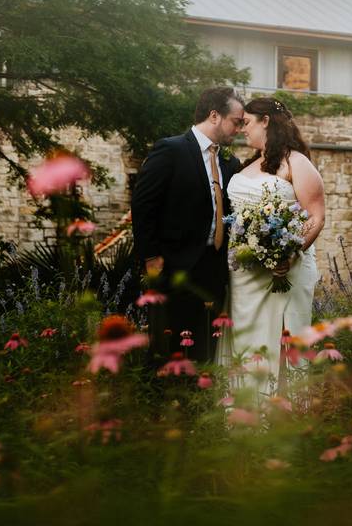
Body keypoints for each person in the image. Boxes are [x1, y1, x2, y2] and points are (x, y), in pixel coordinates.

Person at [218, 96, 325, 395]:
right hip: (244, 274)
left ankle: (280, 413)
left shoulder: (297, 162)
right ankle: (244, 409)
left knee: (281, 338)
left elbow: (316, 217)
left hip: (283, 271)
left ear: (266, 121)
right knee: (246, 339)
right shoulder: (248, 164)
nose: (243, 130)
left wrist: (290, 252)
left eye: (248, 123)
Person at [130, 87, 245, 362]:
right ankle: (165, 399)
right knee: (170, 348)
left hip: (214, 269)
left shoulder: (229, 162)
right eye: (236, 122)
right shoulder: (171, 150)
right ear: (215, 115)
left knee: (205, 347)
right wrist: (150, 255)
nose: (239, 129)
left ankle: (200, 401)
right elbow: (143, 204)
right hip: (173, 266)